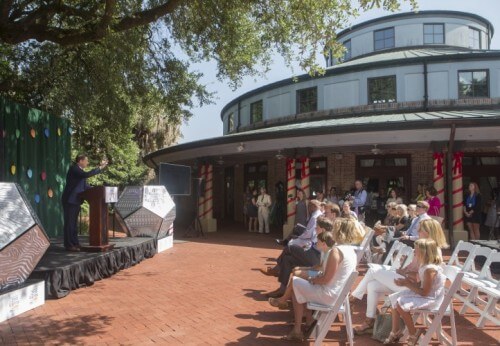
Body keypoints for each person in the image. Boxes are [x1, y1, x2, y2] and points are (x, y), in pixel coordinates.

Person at [352, 218, 448, 335]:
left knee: (373, 271)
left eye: (420, 230)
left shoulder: (432, 249)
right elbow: (414, 269)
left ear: (428, 231)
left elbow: (424, 276)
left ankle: (353, 298)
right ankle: (369, 321)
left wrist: (405, 273)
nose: (417, 232)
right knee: (372, 285)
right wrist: (403, 267)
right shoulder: (423, 245)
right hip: (408, 281)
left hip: (414, 287)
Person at [280, 218, 360, 341]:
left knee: (296, 282)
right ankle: (304, 323)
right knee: (297, 283)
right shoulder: (351, 251)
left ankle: (297, 329)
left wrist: (311, 279)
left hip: (329, 295)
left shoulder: (336, 251)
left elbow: (326, 279)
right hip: (337, 295)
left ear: (339, 232)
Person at [384, 238, 446, 345]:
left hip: (432, 299)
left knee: (400, 303)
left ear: (424, 252)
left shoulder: (429, 270)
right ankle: (396, 330)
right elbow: (420, 285)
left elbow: (425, 292)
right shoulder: (424, 266)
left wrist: (407, 284)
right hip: (426, 295)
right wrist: (406, 282)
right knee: (394, 298)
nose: (414, 251)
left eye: (416, 249)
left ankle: (413, 334)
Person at [268, 220, 335, 310]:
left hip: (317, 272)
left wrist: (308, 273)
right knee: (288, 260)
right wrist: (305, 268)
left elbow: (321, 268)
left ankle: (284, 299)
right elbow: (319, 265)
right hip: (316, 268)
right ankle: (283, 290)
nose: (315, 229)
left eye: (317, 227)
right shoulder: (322, 240)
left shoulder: (326, 242)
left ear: (322, 230)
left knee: (291, 253)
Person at [62, 153, 107, 251]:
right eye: (86, 160)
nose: (87, 162)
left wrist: (97, 189)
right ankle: (69, 245)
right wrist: (100, 167)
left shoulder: (80, 172)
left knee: (74, 224)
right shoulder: (74, 169)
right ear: (80, 161)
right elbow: (86, 175)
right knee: (69, 224)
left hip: (76, 201)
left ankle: (75, 243)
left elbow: (85, 186)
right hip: (70, 200)